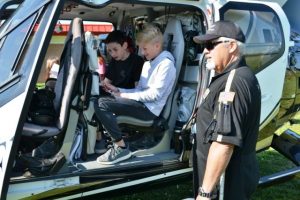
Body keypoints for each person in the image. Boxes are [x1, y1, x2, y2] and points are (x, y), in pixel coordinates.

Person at [192, 20, 261, 200]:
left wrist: (205, 193)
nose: (205, 51)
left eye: (210, 45)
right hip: (225, 177)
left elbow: (224, 143)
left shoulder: (233, 82)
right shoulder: (232, 76)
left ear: (231, 46)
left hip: (225, 181)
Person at [94, 24, 176, 164]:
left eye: (144, 48)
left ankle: (120, 147)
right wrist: (119, 91)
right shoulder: (148, 63)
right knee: (101, 98)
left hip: (150, 111)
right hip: (141, 104)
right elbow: (140, 90)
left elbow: (154, 95)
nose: (142, 52)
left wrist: (125, 96)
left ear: (157, 46)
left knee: (101, 104)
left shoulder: (166, 65)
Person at [94, 30, 144, 154]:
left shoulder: (137, 62)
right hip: (115, 96)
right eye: (109, 51)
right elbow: (106, 82)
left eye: (115, 49)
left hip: (128, 99)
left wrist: (119, 92)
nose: (112, 54)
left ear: (125, 46)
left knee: (101, 103)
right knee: (93, 98)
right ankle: (98, 137)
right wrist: (104, 86)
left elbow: (138, 91)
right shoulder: (114, 62)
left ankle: (119, 145)